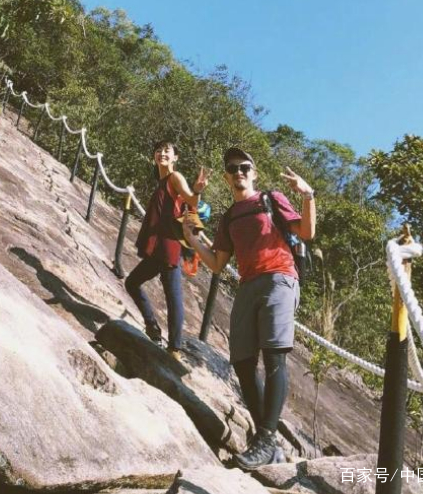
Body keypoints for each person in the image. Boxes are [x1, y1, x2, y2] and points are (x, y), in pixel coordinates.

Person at [182, 146, 316, 469]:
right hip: (247, 285)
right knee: (242, 362)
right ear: (227, 177)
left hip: (279, 279)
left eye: (244, 167)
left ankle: (265, 439)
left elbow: (307, 232)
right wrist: (191, 237)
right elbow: (216, 263)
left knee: (273, 356)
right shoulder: (228, 217)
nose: (238, 172)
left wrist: (308, 195)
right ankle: (266, 441)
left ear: (253, 173)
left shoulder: (270, 199)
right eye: (232, 168)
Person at [126, 140, 210, 361]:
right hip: (159, 248)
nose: (161, 153)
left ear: (175, 158)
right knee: (132, 283)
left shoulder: (175, 177)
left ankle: (174, 348)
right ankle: (153, 328)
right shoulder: (161, 181)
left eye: (167, 151)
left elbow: (191, 198)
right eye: (158, 150)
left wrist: (198, 190)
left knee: (173, 296)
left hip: (169, 246)